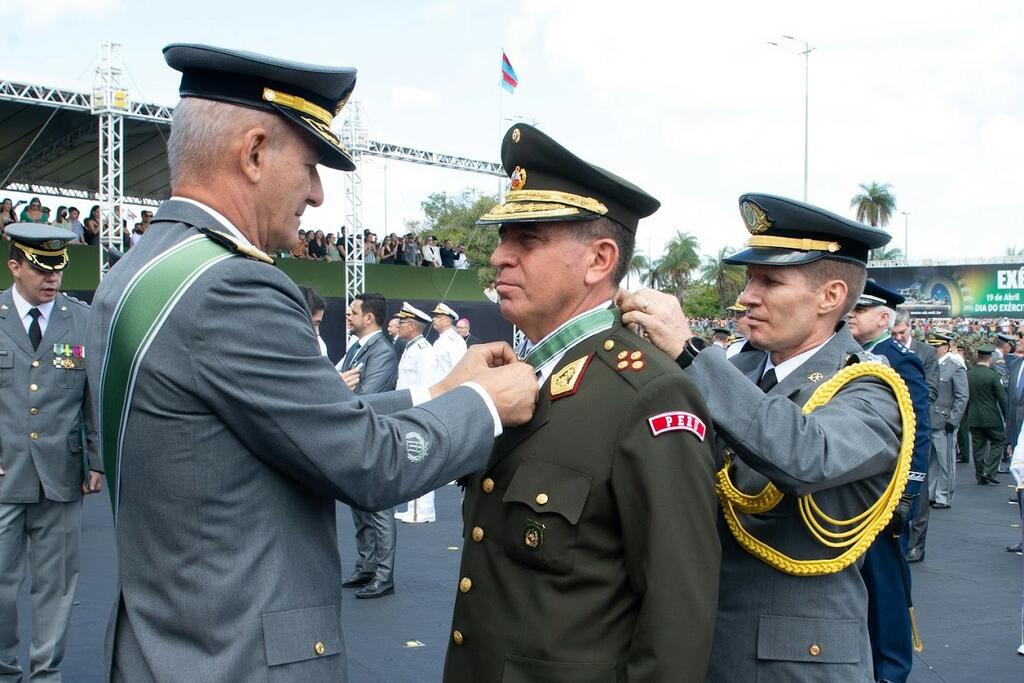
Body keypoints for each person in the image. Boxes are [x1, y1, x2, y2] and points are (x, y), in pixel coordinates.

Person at [87, 43, 538, 682]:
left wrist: (433, 393)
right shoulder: (233, 287)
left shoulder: (140, 270)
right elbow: (367, 463)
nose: (320, 194)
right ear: (252, 154)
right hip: (240, 656)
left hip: (170, 641)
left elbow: (284, 418)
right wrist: (486, 405)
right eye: (310, 166)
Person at [443, 123, 720, 682]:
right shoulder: (522, 375)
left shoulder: (648, 393)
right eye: (502, 238)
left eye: (528, 239)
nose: (499, 257)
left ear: (599, 259)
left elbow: (677, 621)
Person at [620, 192, 904, 680]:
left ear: (831, 297)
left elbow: (805, 455)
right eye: (750, 278)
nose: (746, 296)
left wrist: (690, 355)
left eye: (770, 281)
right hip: (703, 643)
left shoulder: (869, 388)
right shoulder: (738, 370)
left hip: (795, 661)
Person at [0, 224, 102, 682]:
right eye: (41, 268)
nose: (52, 278)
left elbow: (92, 394)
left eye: (58, 268)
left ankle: (46, 675)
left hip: (61, 475)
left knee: (57, 587)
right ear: (15, 266)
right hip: (5, 474)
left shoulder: (80, 319)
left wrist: (97, 458)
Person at [845, 280, 931, 683]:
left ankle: (891, 671)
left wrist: (906, 495)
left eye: (860, 310)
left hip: (884, 494)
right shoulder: (854, 357)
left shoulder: (897, 359)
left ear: (883, 318)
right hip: (858, 491)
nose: (851, 314)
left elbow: (919, 432)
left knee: (884, 588)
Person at [338, 293, 400, 599]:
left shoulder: (382, 352)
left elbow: (368, 396)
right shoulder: (358, 348)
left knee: (379, 510)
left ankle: (384, 576)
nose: (348, 316)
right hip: (356, 438)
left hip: (374, 439)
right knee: (360, 508)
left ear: (369, 318)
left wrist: (339, 389)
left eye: (353, 312)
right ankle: (366, 566)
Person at [392, 302, 444, 524]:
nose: (398, 325)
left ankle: (422, 511)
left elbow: (425, 384)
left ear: (411, 325)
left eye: (402, 322)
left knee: (419, 457)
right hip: (407, 409)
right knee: (411, 458)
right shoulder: (412, 347)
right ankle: (414, 508)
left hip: (417, 410)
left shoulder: (424, 351)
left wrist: (419, 413)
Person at [966, 345, 1008, 485]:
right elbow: (1002, 398)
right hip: (991, 416)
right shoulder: (993, 376)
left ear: (978, 358)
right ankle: (988, 471)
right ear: (990, 359)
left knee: (978, 447)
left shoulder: (969, 374)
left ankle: (980, 474)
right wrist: (1006, 416)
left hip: (973, 416)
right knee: (998, 441)